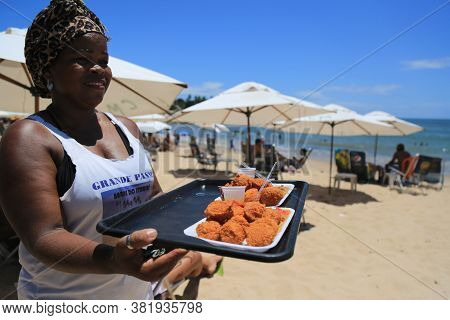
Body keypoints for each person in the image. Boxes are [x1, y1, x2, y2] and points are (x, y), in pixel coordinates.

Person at [0, 0, 220, 300]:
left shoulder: (126, 128)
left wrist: (203, 208)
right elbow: (44, 236)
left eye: (103, 59)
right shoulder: (30, 138)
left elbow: (153, 198)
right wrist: (113, 259)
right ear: (48, 67)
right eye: (81, 58)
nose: (98, 69)